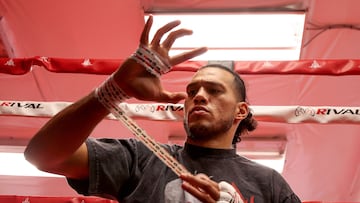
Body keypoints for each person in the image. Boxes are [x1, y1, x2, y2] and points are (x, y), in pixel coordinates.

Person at [24, 16, 301, 203]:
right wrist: (113, 89)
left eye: (214, 91)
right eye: (192, 91)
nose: (199, 96)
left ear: (241, 111)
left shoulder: (269, 184)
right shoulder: (142, 158)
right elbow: (43, 156)